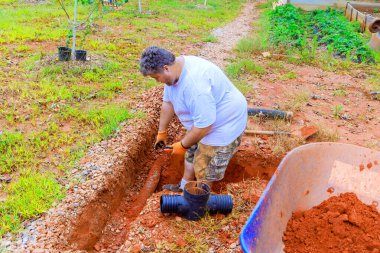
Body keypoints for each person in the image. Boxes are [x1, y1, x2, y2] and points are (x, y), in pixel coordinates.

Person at [139, 46, 247, 192]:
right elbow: (168, 102)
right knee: (191, 153)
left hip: (225, 124)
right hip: (206, 118)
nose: (158, 81)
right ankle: (185, 188)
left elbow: (204, 127)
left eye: (156, 77)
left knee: (205, 168)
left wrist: (182, 145)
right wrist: (162, 131)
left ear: (165, 68)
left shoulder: (195, 86)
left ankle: (198, 204)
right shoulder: (175, 71)